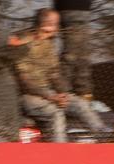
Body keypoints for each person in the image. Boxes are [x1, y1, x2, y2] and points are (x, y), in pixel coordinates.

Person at [13, 8, 108, 143]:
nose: (57, 28)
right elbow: (24, 81)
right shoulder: (22, 43)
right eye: (54, 24)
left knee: (81, 105)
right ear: (44, 24)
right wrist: (51, 97)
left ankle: (105, 138)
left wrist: (63, 93)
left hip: (50, 94)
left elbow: (54, 72)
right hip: (27, 97)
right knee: (55, 113)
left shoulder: (48, 44)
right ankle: (60, 151)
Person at [53, 0, 93, 99]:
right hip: (75, 9)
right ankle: (65, 94)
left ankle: (80, 94)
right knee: (75, 56)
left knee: (78, 55)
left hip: (76, 9)